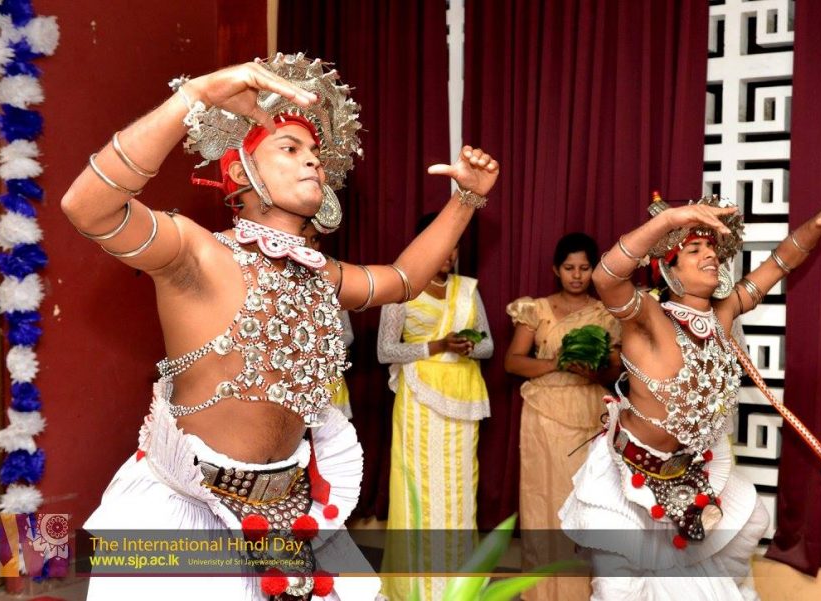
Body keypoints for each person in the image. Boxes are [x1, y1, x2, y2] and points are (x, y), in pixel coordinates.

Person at [61, 53, 499, 600]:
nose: (312, 160)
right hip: (189, 512)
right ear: (239, 173)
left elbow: (405, 279)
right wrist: (197, 94)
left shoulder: (322, 275)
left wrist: (467, 199)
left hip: (290, 511)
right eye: (289, 148)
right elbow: (89, 208)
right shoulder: (197, 254)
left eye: (314, 152)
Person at [559, 191, 821, 599]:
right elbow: (606, 278)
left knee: (750, 522)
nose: (710, 255)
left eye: (712, 249)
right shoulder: (648, 317)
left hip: (689, 473)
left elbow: (780, 263)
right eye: (694, 250)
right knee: (619, 589)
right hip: (625, 478)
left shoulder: (722, 313)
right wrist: (670, 220)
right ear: (669, 271)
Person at [376, 212, 494, 601]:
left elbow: (489, 345)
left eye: (454, 245)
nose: (449, 253)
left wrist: (468, 346)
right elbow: (385, 350)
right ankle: (416, 588)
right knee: (418, 488)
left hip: (463, 396)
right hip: (419, 400)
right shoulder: (402, 288)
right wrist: (439, 345)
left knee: (460, 490)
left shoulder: (467, 289)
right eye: (442, 244)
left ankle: (458, 585)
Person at [503, 232, 622, 601]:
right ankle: (541, 591)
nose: (577, 275)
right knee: (543, 501)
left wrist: (593, 372)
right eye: (569, 268)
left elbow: (618, 371)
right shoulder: (535, 309)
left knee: (586, 501)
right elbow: (512, 362)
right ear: (556, 269)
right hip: (543, 413)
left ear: (594, 271)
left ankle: (581, 592)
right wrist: (557, 363)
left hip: (590, 412)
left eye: (584, 268)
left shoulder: (606, 313)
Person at [301, 222, 354, 419]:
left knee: (334, 434)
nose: (309, 246)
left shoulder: (328, 278)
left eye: (315, 239)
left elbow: (347, 333)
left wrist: (329, 347)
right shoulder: (272, 276)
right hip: (292, 383)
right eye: (302, 239)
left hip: (328, 378)